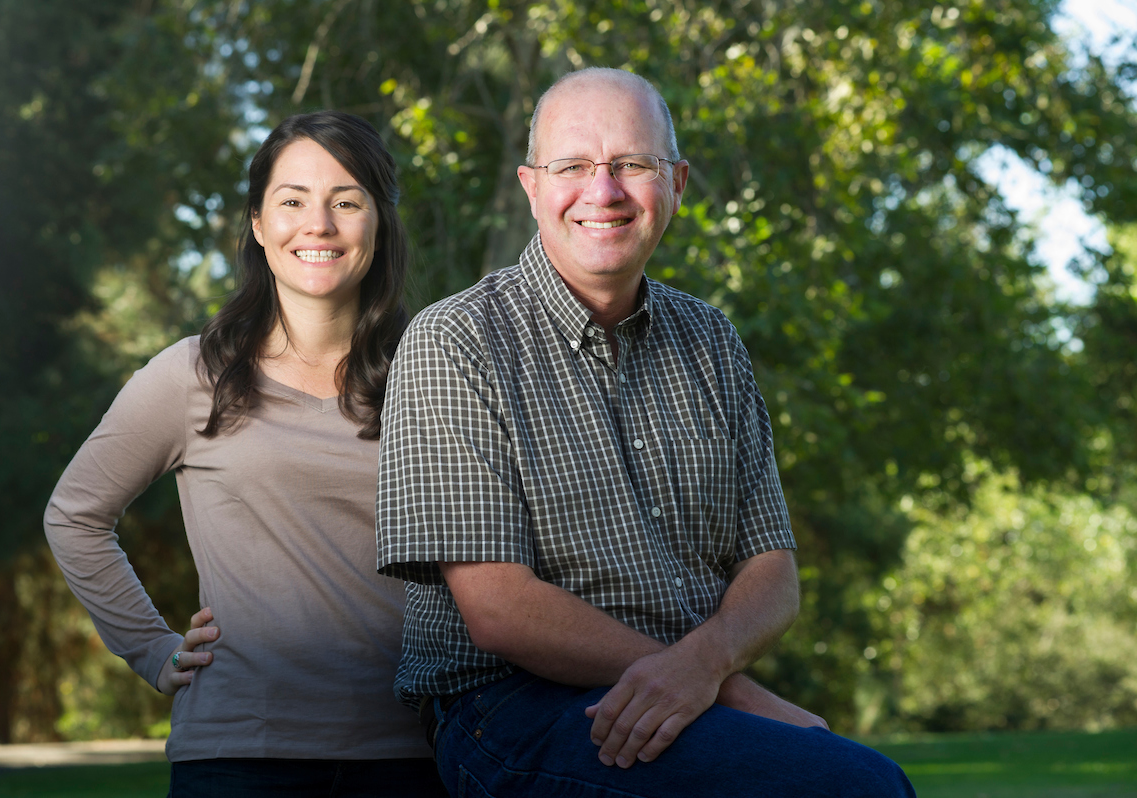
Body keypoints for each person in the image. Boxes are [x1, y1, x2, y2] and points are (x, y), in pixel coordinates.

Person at [375, 68, 916, 796]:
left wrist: (704, 668)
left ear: (679, 183)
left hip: (691, 696)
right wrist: (725, 687)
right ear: (531, 187)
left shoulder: (711, 341)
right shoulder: (456, 340)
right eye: (572, 166)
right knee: (856, 789)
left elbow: (772, 574)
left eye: (633, 164)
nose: (604, 192)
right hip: (506, 709)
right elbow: (499, 610)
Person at [44, 111, 446, 797]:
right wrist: (152, 648)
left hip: (415, 753)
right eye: (291, 201)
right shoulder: (190, 374)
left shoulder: (437, 374)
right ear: (259, 224)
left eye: (346, 201)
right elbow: (75, 517)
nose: (317, 224)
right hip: (237, 755)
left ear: (379, 224)